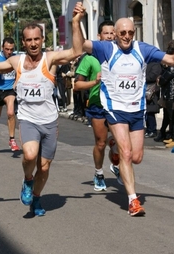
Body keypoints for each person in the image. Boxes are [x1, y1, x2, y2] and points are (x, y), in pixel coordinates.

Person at [0, 2, 86, 216]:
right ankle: (27, 181)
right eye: (29, 40)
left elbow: (76, 51)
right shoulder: (16, 61)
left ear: (42, 40)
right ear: (24, 41)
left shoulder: (50, 59)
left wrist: (76, 22)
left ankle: (37, 199)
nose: (33, 44)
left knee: (45, 166)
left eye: (37, 39)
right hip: (28, 119)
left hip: (49, 121)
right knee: (30, 156)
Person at [82, 18, 174, 216]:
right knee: (127, 153)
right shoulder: (106, 49)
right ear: (116, 34)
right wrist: (76, 22)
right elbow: (80, 45)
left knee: (136, 157)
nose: (127, 36)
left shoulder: (142, 49)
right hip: (115, 109)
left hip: (136, 110)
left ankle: (115, 151)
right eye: (122, 33)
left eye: (130, 33)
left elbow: (172, 60)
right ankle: (133, 201)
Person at [73, 20, 115, 192]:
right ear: (99, 36)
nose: (110, 36)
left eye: (113, 33)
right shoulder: (89, 58)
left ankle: (117, 160)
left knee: (122, 140)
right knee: (100, 143)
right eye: (107, 33)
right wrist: (94, 82)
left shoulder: (121, 54)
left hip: (117, 105)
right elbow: (77, 85)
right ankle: (98, 173)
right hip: (97, 105)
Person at [144, 62, 162, 138]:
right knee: (147, 112)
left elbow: (153, 76)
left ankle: (152, 130)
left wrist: (142, 77)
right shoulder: (146, 63)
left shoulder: (155, 64)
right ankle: (149, 129)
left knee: (150, 112)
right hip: (147, 89)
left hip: (152, 91)